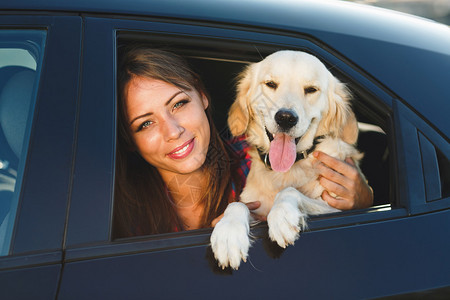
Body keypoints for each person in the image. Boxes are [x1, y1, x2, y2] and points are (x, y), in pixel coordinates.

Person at [113, 46, 373, 239]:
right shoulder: (117, 215)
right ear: (129, 140)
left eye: (179, 104)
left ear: (202, 96)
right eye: (145, 123)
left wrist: (363, 202)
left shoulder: (255, 156)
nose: (173, 131)